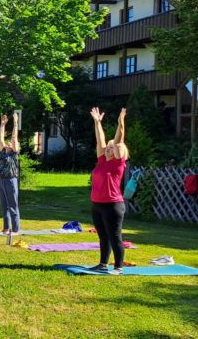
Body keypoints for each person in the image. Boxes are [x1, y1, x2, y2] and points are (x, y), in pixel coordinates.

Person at [89, 107, 129, 275]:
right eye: (108, 148)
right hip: (97, 204)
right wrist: (97, 122)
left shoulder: (118, 164)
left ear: (119, 152)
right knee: (102, 236)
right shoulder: (101, 161)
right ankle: (103, 264)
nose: (108, 149)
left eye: (111, 148)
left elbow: (119, 141)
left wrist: (121, 123)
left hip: (113, 205)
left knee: (114, 237)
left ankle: (118, 267)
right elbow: (100, 140)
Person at [0, 112, 21, 235]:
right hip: (0, 180)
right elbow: (0, 138)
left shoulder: (13, 153)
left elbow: (14, 138)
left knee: (13, 205)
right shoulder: (3, 152)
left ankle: (15, 230)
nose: (9, 143)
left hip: (11, 180)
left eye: (11, 143)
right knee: (4, 206)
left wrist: (15, 123)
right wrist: (2, 125)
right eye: (8, 143)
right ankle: (6, 228)